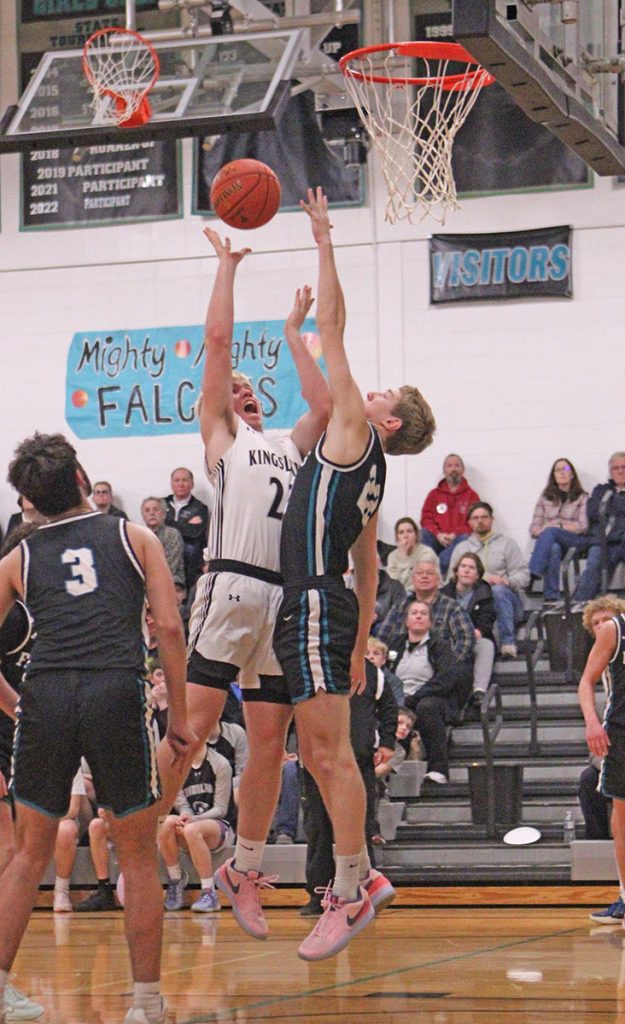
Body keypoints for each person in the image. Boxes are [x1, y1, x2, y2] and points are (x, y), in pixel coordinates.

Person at [216, 187, 435, 961]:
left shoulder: (352, 428)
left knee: (326, 755)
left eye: (380, 393)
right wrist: (288, 333)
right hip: (326, 606)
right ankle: (332, 876)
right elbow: (368, 564)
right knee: (307, 752)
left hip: (312, 601)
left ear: (388, 420)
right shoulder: (363, 463)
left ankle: (352, 885)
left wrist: (323, 238)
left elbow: (334, 328)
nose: (365, 387)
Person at [154, 227, 332, 922]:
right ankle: (144, 835)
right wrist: (225, 268)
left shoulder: (288, 445)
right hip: (229, 586)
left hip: (280, 599)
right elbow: (220, 348)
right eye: (233, 392)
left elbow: (321, 407)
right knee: (192, 731)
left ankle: (245, 871)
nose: (244, 393)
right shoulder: (224, 440)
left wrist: (295, 331)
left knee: (268, 740)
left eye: (253, 391)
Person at [0, 431, 194, 1024]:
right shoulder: (135, 536)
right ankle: (144, 1004)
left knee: (29, 853)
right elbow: (170, 630)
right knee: (137, 853)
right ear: (82, 477)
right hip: (115, 687)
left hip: (48, 693)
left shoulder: (17, 558)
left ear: (27, 501)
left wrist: (15, 703)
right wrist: (179, 719)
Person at [299, 659, 398, 917]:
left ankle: (363, 889)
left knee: (361, 828)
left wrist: (387, 742)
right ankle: (318, 892)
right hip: (317, 765)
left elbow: (389, 707)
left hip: (359, 763)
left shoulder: (371, 672)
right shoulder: (311, 662)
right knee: (318, 829)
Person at [577, 595, 625, 926]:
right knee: (622, 813)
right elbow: (585, 682)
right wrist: (592, 722)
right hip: (621, 731)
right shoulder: (614, 630)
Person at [389, 600, 468, 784]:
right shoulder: (395, 644)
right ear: (406, 621)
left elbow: (445, 679)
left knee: (427, 707)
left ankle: (438, 769)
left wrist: (415, 698)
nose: (418, 616)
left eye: (423, 613)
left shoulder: (440, 646)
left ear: (430, 622)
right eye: (414, 613)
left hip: (428, 698)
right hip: (397, 698)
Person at [159, 743, 233, 914]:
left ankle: (209, 892)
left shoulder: (220, 764)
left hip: (220, 826)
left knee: (192, 830)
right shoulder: (177, 766)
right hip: (193, 823)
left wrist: (194, 820)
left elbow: (221, 809)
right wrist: (185, 815)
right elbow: (182, 805)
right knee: (166, 823)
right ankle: (176, 880)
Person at [449, 502, 529, 659]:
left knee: (497, 591)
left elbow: (524, 575)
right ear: (469, 522)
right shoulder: (461, 549)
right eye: (475, 518)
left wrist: (507, 581)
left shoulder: (507, 544)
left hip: (507, 601)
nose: (480, 521)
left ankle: (507, 643)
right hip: (476, 603)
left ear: (492, 520)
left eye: (484, 517)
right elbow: (451, 580)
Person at [528, 458, 589, 604]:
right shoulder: (544, 499)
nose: (562, 473)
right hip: (553, 543)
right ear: (553, 475)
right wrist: (549, 529)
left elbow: (583, 526)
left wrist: (557, 526)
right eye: (558, 470)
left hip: (575, 541)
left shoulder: (582, 497)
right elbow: (534, 529)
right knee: (553, 548)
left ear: (572, 474)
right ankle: (551, 597)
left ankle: (533, 573)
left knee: (550, 531)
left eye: (566, 469)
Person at [441, 552, 496, 703]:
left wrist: (469, 636)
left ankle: (479, 691)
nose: (466, 570)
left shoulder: (485, 594)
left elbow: (485, 623)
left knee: (486, 645)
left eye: (471, 568)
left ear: (478, 575)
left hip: (473, 638)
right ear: (456, 571)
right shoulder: (443, 594)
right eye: (463, 566)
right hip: (448, 639)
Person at [575, 453, 625, 603]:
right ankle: (577, 610)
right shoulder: (601, 490)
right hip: (603, 541)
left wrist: (611, 504)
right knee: (592, 568)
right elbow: (593, 511)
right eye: (616, 468)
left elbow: (605, 510)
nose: (620, 471)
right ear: (610, 471)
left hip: (623, 540)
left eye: (624, 467)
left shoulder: (608, 496)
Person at [420, 454, 479, 572]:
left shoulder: (472, 496)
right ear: (444, 470)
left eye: (457, 465)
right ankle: (427, 569)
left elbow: (474, 522)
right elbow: (426, 519)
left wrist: (455, 534)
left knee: (465, 539)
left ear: (463, 470)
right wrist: (438, 534)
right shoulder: (434, 495)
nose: (453, 469)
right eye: (449, 465)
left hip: (458, 540)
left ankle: (438, 569)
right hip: (437, 538)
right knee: (423, 533)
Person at [163, 468, 209, 591]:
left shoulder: (200, 508)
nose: (181, 484)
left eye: (185, 480)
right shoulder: (161, 504)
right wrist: (185, 524)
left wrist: (168, 524)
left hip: (190, 562)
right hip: (164, 557)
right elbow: (157, 529)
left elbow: (194, 533)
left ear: (191, 484)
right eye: (177, 480)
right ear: (171, 483)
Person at [141, 497, 186, 603]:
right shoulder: (139, 535)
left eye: (155, 509)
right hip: (145, 582)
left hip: (170, 581)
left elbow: (171, 566)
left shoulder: (172, 534)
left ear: (163, 514)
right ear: (143, 516)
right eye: (147, 510)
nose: (151, 513)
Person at [386, 516, 438, 588]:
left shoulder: (426, 553)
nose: (405, 536)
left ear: (416, 535)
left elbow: (421, 584)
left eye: (409, 531)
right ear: (397, 537)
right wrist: (403, 556)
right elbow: (393, 585)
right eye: (401, 532)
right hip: (400, 596)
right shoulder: (392, 556)